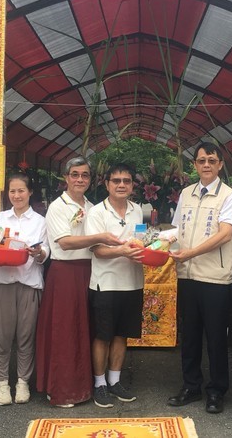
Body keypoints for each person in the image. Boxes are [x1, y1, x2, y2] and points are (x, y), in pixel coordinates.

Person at [36, 157, 122, 408]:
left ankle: (84, 386)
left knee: (85, 329)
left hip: (90, 271)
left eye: (85, 175)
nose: (80, 180)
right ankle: (61, 388)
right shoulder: (57, 207)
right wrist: (100, 236)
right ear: (66, 177)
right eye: (75, 174)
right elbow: (64, 242)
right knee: (65, 330)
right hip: (65, 272)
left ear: (91, 179)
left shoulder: (92, 206)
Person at [167, 142, 232, 414]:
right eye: (201, 160)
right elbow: (175, 229)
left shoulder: (229, 196)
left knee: (216, 336)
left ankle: (217, 390)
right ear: (195, 165)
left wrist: (191, 253)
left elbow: (225, 233)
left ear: (220, 164)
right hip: (187, 275)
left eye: (211, 160)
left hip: (215, 277)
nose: (206, 165)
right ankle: (191, 386)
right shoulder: (186, 193)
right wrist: (158, 244)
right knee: (190, 335)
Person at [0, 173, 49, 406]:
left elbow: (46, 253)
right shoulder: (0, 218)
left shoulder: (40, 221)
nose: (16, 195)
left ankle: (23, 382)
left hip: (28, 283)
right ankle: (2, 384)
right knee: (2, 336)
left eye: (21, 190)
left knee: (25, 336)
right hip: (2, 282)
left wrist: (38, 253)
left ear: (30, 192)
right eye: (12, 191)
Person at [85, 163, 144, 408]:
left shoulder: (137, 210)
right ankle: (99, 384)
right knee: (103, 335)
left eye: (127, 181)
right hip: (105, 283)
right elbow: (97, 250)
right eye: (116, 180)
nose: (121, 185)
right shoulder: (97, 212)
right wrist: (124, 251)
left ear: (132, 186)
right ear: (107, 184)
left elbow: (141, 241)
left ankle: (115, 381)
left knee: (122, 335)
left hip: (132, 282)